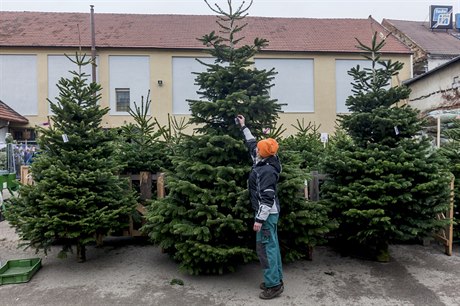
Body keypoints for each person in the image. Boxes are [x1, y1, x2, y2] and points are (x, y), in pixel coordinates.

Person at [236, 114, 284, 300]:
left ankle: (273, 285)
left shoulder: (266, 171)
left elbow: (267, 199)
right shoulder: (268, 159)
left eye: (259, 149)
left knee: (266, 249)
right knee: (272, 246)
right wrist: (243, 126)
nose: (255, 150)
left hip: (266, 214)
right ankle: (276, 279)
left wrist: (259, 220)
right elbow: (251, 143)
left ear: (263, 153)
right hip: (269, 214)